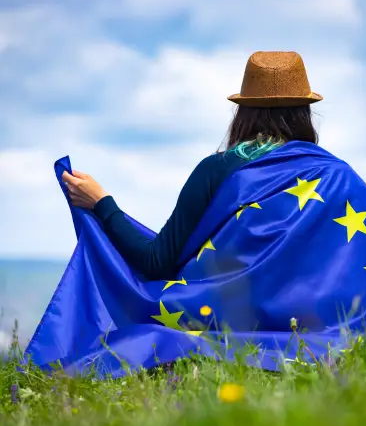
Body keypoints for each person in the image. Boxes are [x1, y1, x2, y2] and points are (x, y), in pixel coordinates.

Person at [62, 51, 323, 281]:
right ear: (305, 113)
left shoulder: (216, 169)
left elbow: (156, 263)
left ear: (243, 112)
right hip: (312, 327)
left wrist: (102, 204)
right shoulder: (333, 174)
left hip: (232, 324)